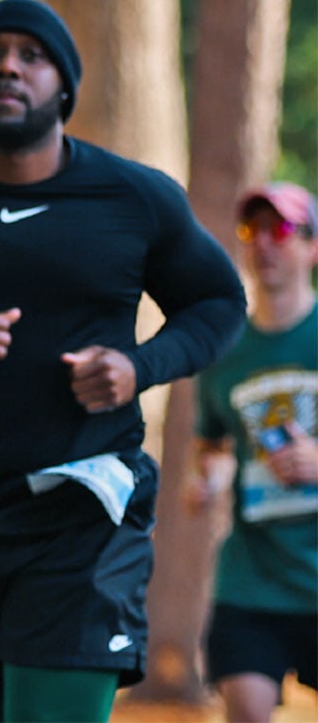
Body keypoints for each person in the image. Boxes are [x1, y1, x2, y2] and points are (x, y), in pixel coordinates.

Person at [0, 0, 247, 722]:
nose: (7, 66)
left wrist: (140, 368)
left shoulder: (133, 197)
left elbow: (219, 304)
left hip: (86, 510)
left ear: (63, 84)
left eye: (30, 55)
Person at [187, 182, 318, 722]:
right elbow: (214, 441)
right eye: (252, 230)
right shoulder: (226, 349)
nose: (264, 242)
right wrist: (210, 477)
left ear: (313, 247)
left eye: (281, 229)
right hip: (251, 578)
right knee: (245, 713)